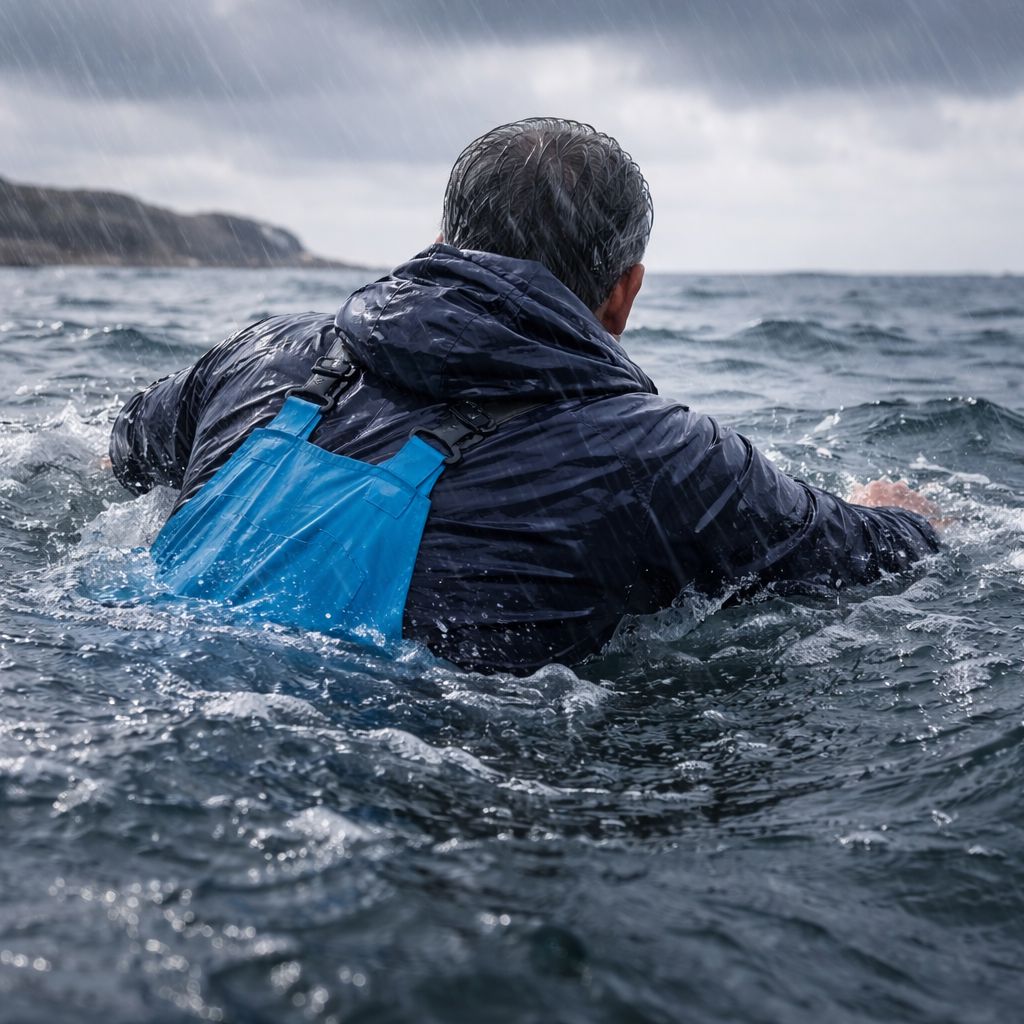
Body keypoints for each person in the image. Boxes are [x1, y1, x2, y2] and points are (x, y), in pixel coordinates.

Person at [109, 117, 940, 674]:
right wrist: (897, 513)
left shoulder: (263, 354)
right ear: (624, 294)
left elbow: (121, 454)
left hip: (137, 671)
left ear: (442, 244)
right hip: (421, 778)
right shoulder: (666, 459)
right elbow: (878, 557)